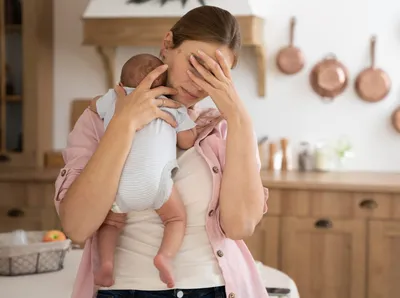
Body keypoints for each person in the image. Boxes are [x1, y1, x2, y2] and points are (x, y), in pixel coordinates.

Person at [54, 5, 269, 298]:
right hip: (122, 291)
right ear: (167, 45)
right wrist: (123, 125)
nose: (199, 83)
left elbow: (239, 225)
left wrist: (238, 116)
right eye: (195, 65)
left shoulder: (225, 129)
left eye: (215, 74)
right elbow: (78, 227)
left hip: (214, 290)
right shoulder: (99, 118)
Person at [93, 53, 197, 288]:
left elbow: (92, 107)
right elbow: (187, 142)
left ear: (121, 85)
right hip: (155, 182)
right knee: (176, 218)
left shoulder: (114, 98)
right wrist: (191, 123)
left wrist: (110, 102)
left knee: (110, 224)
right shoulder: (173, 106)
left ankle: (106, 264)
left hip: (118, 181)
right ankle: (165, 257)